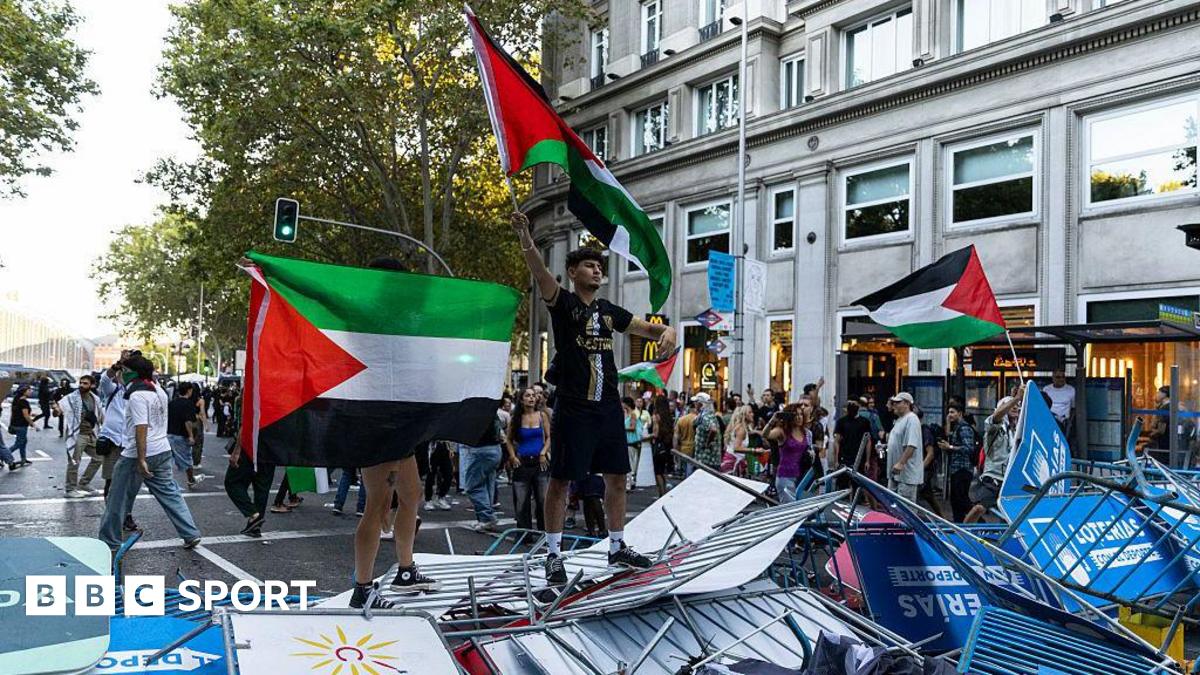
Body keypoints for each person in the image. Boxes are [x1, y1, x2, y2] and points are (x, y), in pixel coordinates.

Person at [511, 211, 676, 585]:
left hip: (606, 407)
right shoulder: (564, 304)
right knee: (562, 480)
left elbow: (646, 327)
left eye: (599, 266)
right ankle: (554, 555)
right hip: (573, 405)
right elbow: (540, 274)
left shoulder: (607, 311)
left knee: (617, 476)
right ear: (573, 272)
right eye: (589, 265)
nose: (597, 270)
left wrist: (668, 331)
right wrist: (525, 237)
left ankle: (617, 545)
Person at [98, 355, 202, 550]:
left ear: (133, 374)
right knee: (170, 494)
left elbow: (141, 428)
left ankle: (109, 540)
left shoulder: (137, 396)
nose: (120, 374)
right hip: (162, 449)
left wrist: (142, 459)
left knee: (116, 497)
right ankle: (190, 533)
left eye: (124, 371)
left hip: (137, 453)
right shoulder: (159, 391)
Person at [966, 388, 1024, 523]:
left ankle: (1006, 540)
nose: (1015, 407)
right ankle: (963, 534)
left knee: (1012, 516)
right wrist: (1015, 398)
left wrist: (1024, 397)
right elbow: (996, 416)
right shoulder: (995, 428)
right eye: (1010, 405)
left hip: (1011, 479)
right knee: (978, 508)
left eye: (1017, 406)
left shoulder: (1018, 431)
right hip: (994, 477)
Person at [224, 395, 276, 537]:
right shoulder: (277, 396)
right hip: (271, 449)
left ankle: (253, 514)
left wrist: (236, 451)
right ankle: (255, 526)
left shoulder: (253, 391)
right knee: (262, 488)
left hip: (251, 449)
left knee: (232, 482)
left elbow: (246, 425)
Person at [506, 387, 550, 530]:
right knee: (521, 500)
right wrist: (513, 457)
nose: (531, 398)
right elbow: (509, 440)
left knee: (543, 499)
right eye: (527, 396)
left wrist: (543, 452)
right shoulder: (516, 418)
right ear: (521, 399)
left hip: (539, 461)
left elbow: (550, 437)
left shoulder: (542, 416)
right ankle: (524, 532)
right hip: (522, 460)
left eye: (533, 396)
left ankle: (545, 532)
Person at [461, 404, 506, 533]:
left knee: (472, 486)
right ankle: (486, 518)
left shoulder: (472, 411)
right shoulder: (490, 409)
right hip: (495, 449)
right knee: (488, 484)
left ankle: (486, 517)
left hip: (480, 449)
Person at [58, 374, 104, 497]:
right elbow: (60, 408)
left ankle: (84, 482)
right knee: (74, 462)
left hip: (91, 433)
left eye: (85, 383)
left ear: (92, 385)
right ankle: (70, 489)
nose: (82, 385)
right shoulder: (72, 398)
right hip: (78, 434)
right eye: (81, 383)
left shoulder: (95, 398)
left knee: (99, 458)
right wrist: (56, 410)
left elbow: (99, 415)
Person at [940, 403, 978, 522]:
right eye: (948, 412)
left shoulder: (964, 428)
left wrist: (950, 447)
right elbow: (948, 435)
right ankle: (959, 524)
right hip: (957, 468)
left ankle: (979, 520)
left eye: (952, 412)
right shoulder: (956, 427)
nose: (949, 415)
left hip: (963, 469)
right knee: (956, 501)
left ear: (960, 413)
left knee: (962, 500)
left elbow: (968, 448)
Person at [767, 408, 813, 503]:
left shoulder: (807, 433)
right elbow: (766, 435)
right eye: (796, 415)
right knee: (788, 510)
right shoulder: (782, 431)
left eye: (801, 414)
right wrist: (772, 420)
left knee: (799, 510)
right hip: (785, 475)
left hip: (801, 476)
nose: (799, 417)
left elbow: (810, 449)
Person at [885, 393, 924, 502]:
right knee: (893, 507)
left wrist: (901, 463)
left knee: (905, 508)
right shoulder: (899, 420)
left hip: (906, 475)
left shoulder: (912, 419)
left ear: (907, 403)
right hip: (895, 473)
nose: (894, 405)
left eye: (897, 403)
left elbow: (912, 444)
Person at [832, 401, 872, 490]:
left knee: (857, 485)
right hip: (844, 457)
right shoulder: (841, 422)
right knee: (842, 484)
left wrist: (867, 460)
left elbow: (868, 441)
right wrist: (836, 460)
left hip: (859, 457)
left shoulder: (864, 422)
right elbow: (836, 441)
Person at [167, 383, 200, 488]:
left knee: (168, 460)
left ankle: (163, 481)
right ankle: (191, 480)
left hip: (169, 434)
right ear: (189, 391)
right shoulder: (188, 404)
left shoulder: (171, 403)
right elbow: (188, 421)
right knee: (187, 459)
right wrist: (191, 435)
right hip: (181, 436)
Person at [649, 395, 674, 496]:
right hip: (666, 445)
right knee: (662, 470)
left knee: (657, 472)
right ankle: (664, 492)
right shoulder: (668, 416)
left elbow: (655, 433)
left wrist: (647, 436)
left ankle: (661, 493)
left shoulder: (656, 416)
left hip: (658, 445)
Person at [419, 441, 454, 512]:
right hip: (431, 446)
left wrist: (450, 448)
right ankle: (428, 499)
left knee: (449, 474)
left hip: (444, 445)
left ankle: (441, 496)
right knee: (430, 475)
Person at [692, 394, 723, 471]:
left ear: (700, 403)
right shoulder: (708, 415)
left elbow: (713, 429)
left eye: (696, 402)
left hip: (706, 460)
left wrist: (707, 443)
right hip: (709, 459)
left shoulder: (706, 416)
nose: (694, 404)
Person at [8, 385, 35, 467]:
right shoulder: (24, 402)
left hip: (15, 424)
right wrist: (32, 423)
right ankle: (4, 455)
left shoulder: (16, 400)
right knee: (19, 443)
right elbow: (26, 415)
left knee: (23, 442)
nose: (31, 391)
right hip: (21, 426)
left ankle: (23, 458)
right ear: (24, 392)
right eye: (29, 390)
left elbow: (16, 413)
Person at [1045, 369, 1075, 433]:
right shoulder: (1046, 389)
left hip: (1063, 421)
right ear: (1053, 378)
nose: (1061, 379)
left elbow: (1073, 408)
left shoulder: (1071, 390)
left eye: (1063, 377)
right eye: (1058, 377)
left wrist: (1070, 422)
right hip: (1048, 419)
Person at [673, 398, 697, 477]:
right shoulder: (698, 419)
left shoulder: (681, 420)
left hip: (683, 448)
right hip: (695, 447)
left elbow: (676, 437)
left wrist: (675, 451)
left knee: (685, 470)